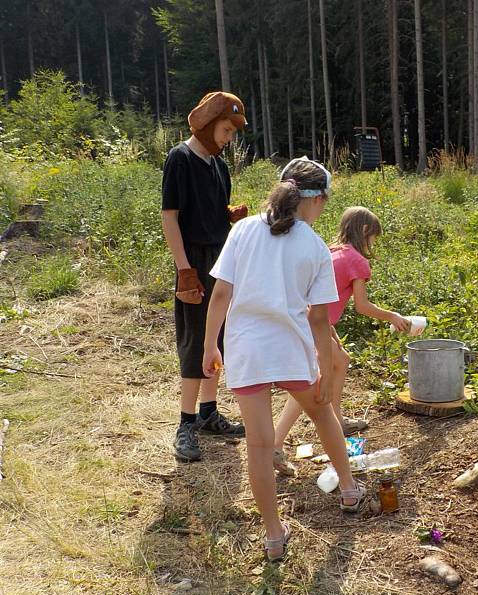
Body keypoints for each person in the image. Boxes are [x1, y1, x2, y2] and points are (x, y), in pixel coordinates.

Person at [202, 157, 368, 562]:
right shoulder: (312, 245)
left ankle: (274, 536)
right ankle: (348, 490)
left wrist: (209, 345)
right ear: (316, 200)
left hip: (247, 350)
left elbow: (221, 294)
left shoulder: (242, 230)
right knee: (323, 414)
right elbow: (318, 317)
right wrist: (327, 370)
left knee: (258, 446)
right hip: (291, 351)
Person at [271, 206, 410, 476]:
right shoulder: (357, 260)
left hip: (304, 319)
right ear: (366, 231)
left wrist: (330, 331)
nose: (373, 243)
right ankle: (276, 444)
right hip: (311, 325)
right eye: (374, 237)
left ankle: (336, 420)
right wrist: (393, 315)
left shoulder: (332, 251)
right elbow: (362, 306)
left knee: (341, 361)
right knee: (309, 384)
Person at [161, 91, 250, 462]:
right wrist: (185, 270)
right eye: (226, 130)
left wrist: (227, 215)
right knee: (196, 340)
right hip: (194, 263)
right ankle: (186, 423)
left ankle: (209, 412)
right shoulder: (180, 159)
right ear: (209, 123)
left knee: (219, 338)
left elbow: (210, 208)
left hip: (221, 260)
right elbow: (171, 217)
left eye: (232, 132)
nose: (229, 138)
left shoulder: (219, 166)